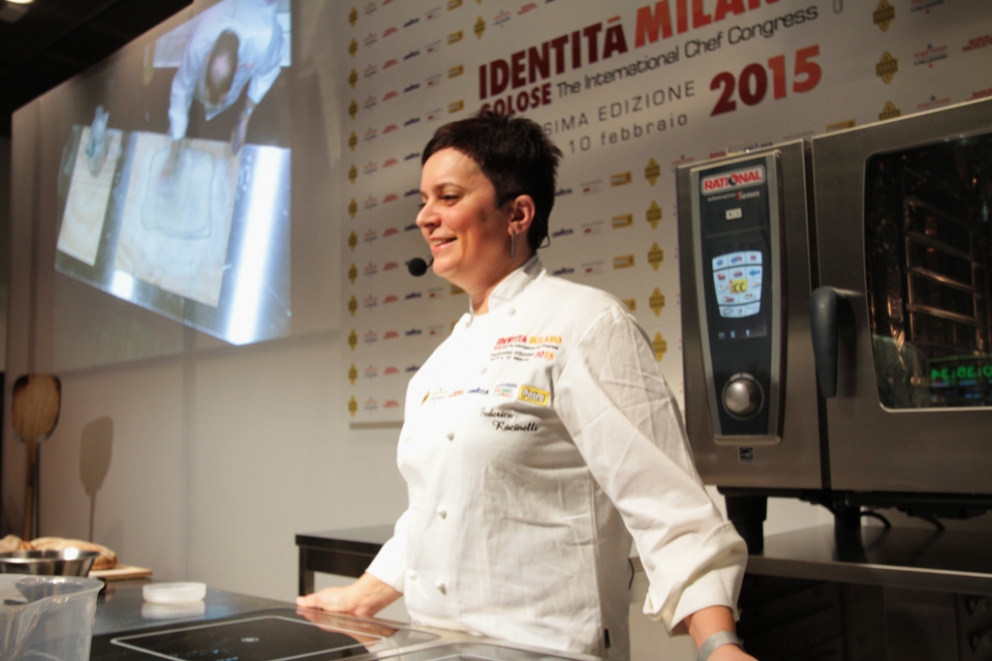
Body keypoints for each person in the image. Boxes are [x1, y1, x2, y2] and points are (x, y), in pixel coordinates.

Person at [298, 111, 754, 661]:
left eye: (447, 197)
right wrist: (360, 598)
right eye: (423, 200)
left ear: (518, 213)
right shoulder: (439, 366)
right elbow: (433, 516)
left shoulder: (587, 324)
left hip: (546, 650)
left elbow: (665, 504)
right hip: (431, 649)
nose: (425, 217)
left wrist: (720, 646)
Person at [162, 0, 284, 175]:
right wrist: (174, 151)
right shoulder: (199, 42)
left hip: (236, 100)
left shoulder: (264, 37)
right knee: (180, 129)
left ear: (238, 66)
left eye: (220, 99)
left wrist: (244, 118)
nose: (216, 105)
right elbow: (182, 87)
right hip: (197, 96)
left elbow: (267, 73)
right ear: (207, 57)